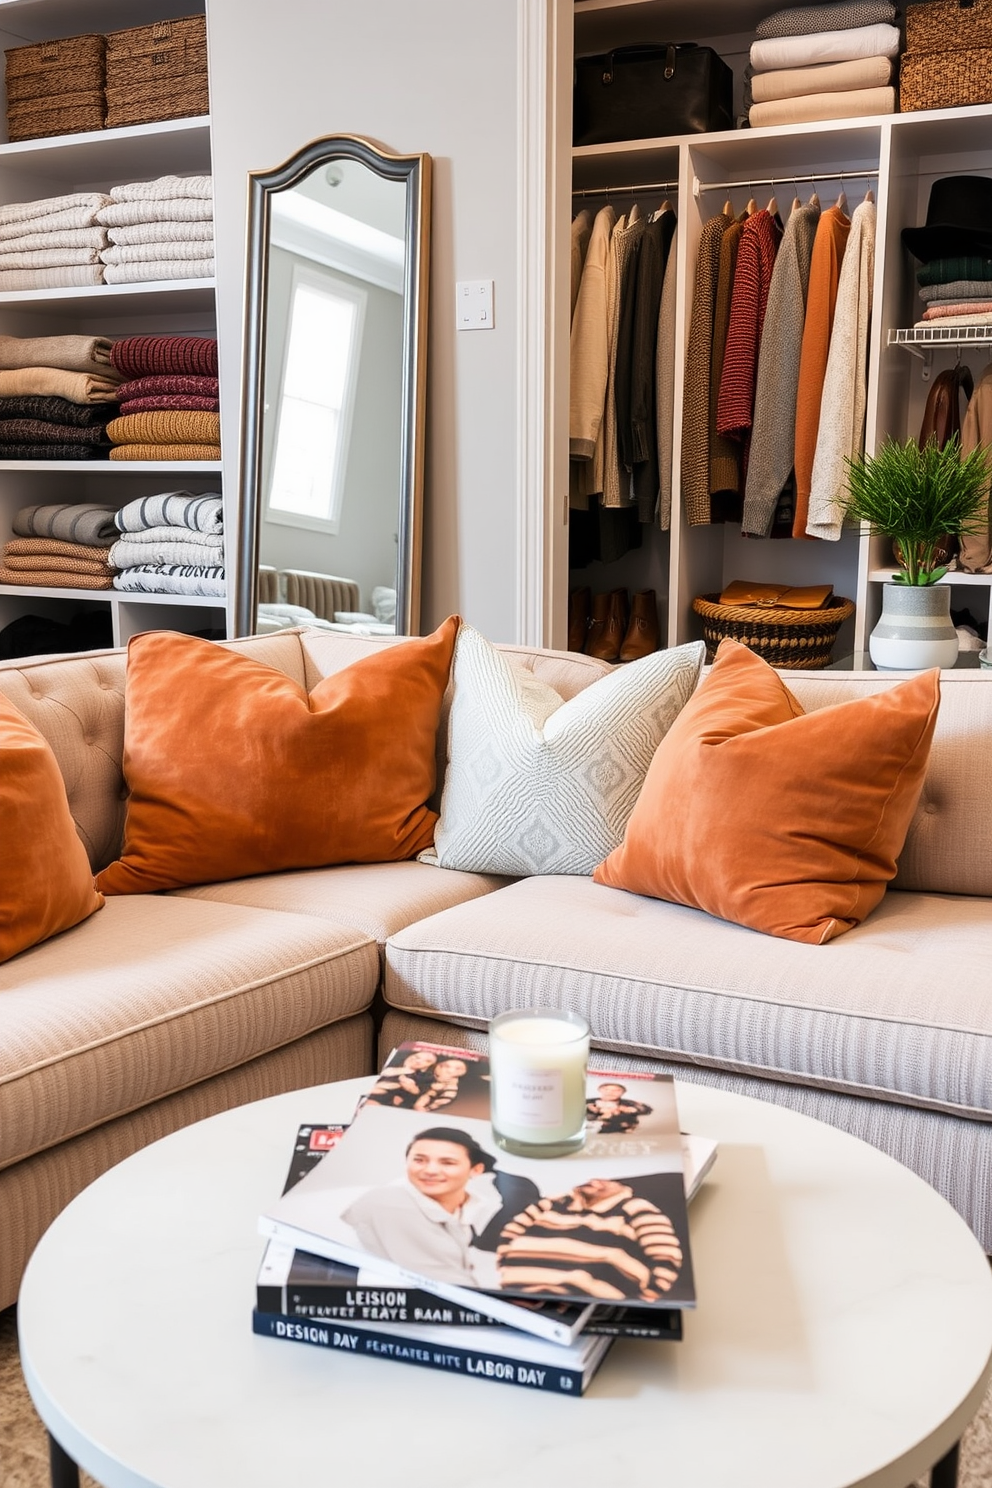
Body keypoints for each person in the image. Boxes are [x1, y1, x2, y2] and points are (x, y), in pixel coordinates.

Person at [341, 1127, 499, 1286]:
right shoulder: (390, 1203)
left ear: (476, 1170)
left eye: (448, 1163)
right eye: (419, 1160)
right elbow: (442, 1278)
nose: (430, 1170)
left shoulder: (482, 1208)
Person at [496, 1177, 683, 1303]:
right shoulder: (553, 1203)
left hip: (589, 1297)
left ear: (623, 1187)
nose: (595, 1181)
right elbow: (510, 1234)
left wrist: (648, 1297)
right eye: (591, 1178)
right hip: (521, 1291)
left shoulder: (634, 1206)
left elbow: (665, 1253)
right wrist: (506, 1268)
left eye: (606, 1180)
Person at [364, 1049, 438, 1108]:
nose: (418, 1061)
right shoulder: (393, 1065)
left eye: (427, 1061)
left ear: (427, 1067)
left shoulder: (417, 1079)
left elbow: (417, 1094)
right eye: (417, 1057)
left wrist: (413, 1090)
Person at [585, 1081, 653, 1135]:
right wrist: (594, 1110)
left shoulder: (628, 1103)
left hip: (622, 1132)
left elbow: (647, 1109)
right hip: (592, 1132)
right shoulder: (588, 1102)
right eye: (606, 1089)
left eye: (617, 1090)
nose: (610, 1092)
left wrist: (634, 1110)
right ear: (600, 1090)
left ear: (623, 1093)